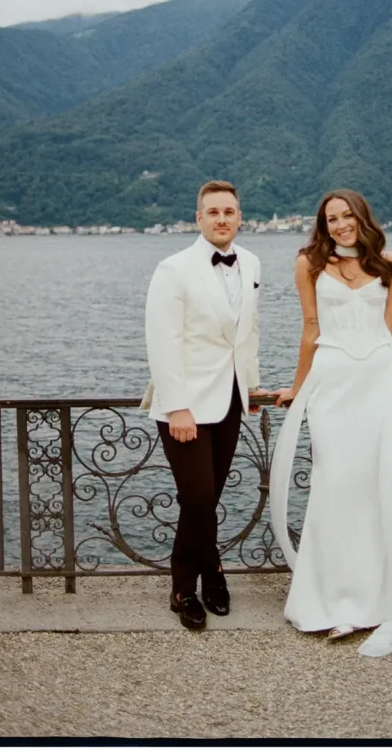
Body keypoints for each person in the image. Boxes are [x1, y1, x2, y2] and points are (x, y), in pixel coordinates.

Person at [269, 189, 392, 656]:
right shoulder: (308, 264)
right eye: (331, 219)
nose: (339, 225)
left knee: (380, 490)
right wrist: (298, 388)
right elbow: (310, 329)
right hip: (332, 386)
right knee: (334, 485)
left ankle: (377, 599)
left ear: (361, 217)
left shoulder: (391, 264)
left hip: (378, 386)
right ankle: (332, 602)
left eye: (346, 216)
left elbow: (391, 329)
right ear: (323, 224)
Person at [141, 180, 268, 630]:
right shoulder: (172, 269)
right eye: (212, 212)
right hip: (185, 408)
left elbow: (246, 335)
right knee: (196, 499)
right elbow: (162, 342)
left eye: (228, 211)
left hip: (231, 399)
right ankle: (183, 587)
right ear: (198, 218)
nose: (221, 219)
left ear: (239, 217)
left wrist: (249, 389)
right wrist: (176, 407)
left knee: (207, 499)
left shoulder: (250, 262)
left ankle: (212, 570)